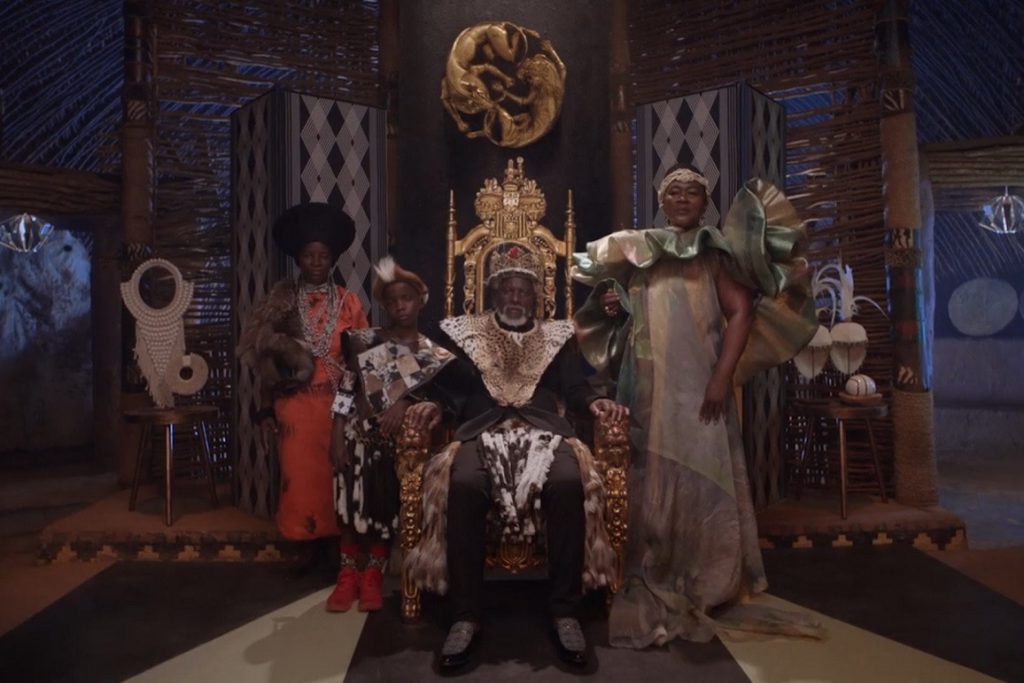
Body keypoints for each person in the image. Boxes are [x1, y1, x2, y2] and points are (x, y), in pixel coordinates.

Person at [572, 168, 822, 647]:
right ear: (662, 201)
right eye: (674, 192)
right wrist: (614, 304)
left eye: (692, 192)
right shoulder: (640, 250)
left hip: (697, 386)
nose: (683, 199)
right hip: (648, 389)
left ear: (705, 203)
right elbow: (624, 315)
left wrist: (722, 377)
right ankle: (653, 566)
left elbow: (741, 312)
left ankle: (707, 577)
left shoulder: (712, 253)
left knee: (703, 473)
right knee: (651, 477)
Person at [404, 245, 629, 670]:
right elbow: (452, 393)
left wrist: (594, 403)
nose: (514, 297)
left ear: (535, 296)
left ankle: (565, 610)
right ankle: (465, 615)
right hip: (481, 430)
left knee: (568, 482)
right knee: (464, 484)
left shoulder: (555, 337)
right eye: (506, 289)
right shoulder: (467, 335)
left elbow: (574, 389)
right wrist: (435, 407)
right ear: (493, 294)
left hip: (545, 431)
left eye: (523, 290)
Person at [237, 202, 368, 578]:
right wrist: (266, 410)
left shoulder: (349, 301)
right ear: (298, 258)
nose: (316, 262)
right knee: (299, 478)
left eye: (322, 256)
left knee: (336, 476)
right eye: (309, 255)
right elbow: (265, 361)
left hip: (338, 407)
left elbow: (364, 356)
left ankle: (336, 547)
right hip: (295, 406)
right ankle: (304, 545)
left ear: (333, 259)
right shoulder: (279, 305)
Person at [327, 257, 454, 612]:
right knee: (348, 505)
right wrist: (336, 433)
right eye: (393, 300)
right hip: (355, 435)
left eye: (407, 298)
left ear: (420, 301)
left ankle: (373, 574)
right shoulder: (365, 341)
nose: (400, 306)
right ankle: (347, 573)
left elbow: (441, 402)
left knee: (383, 505)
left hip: (393, 446)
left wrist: (407, 401)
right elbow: (347, 387)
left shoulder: (432, 354)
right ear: (384, 305)